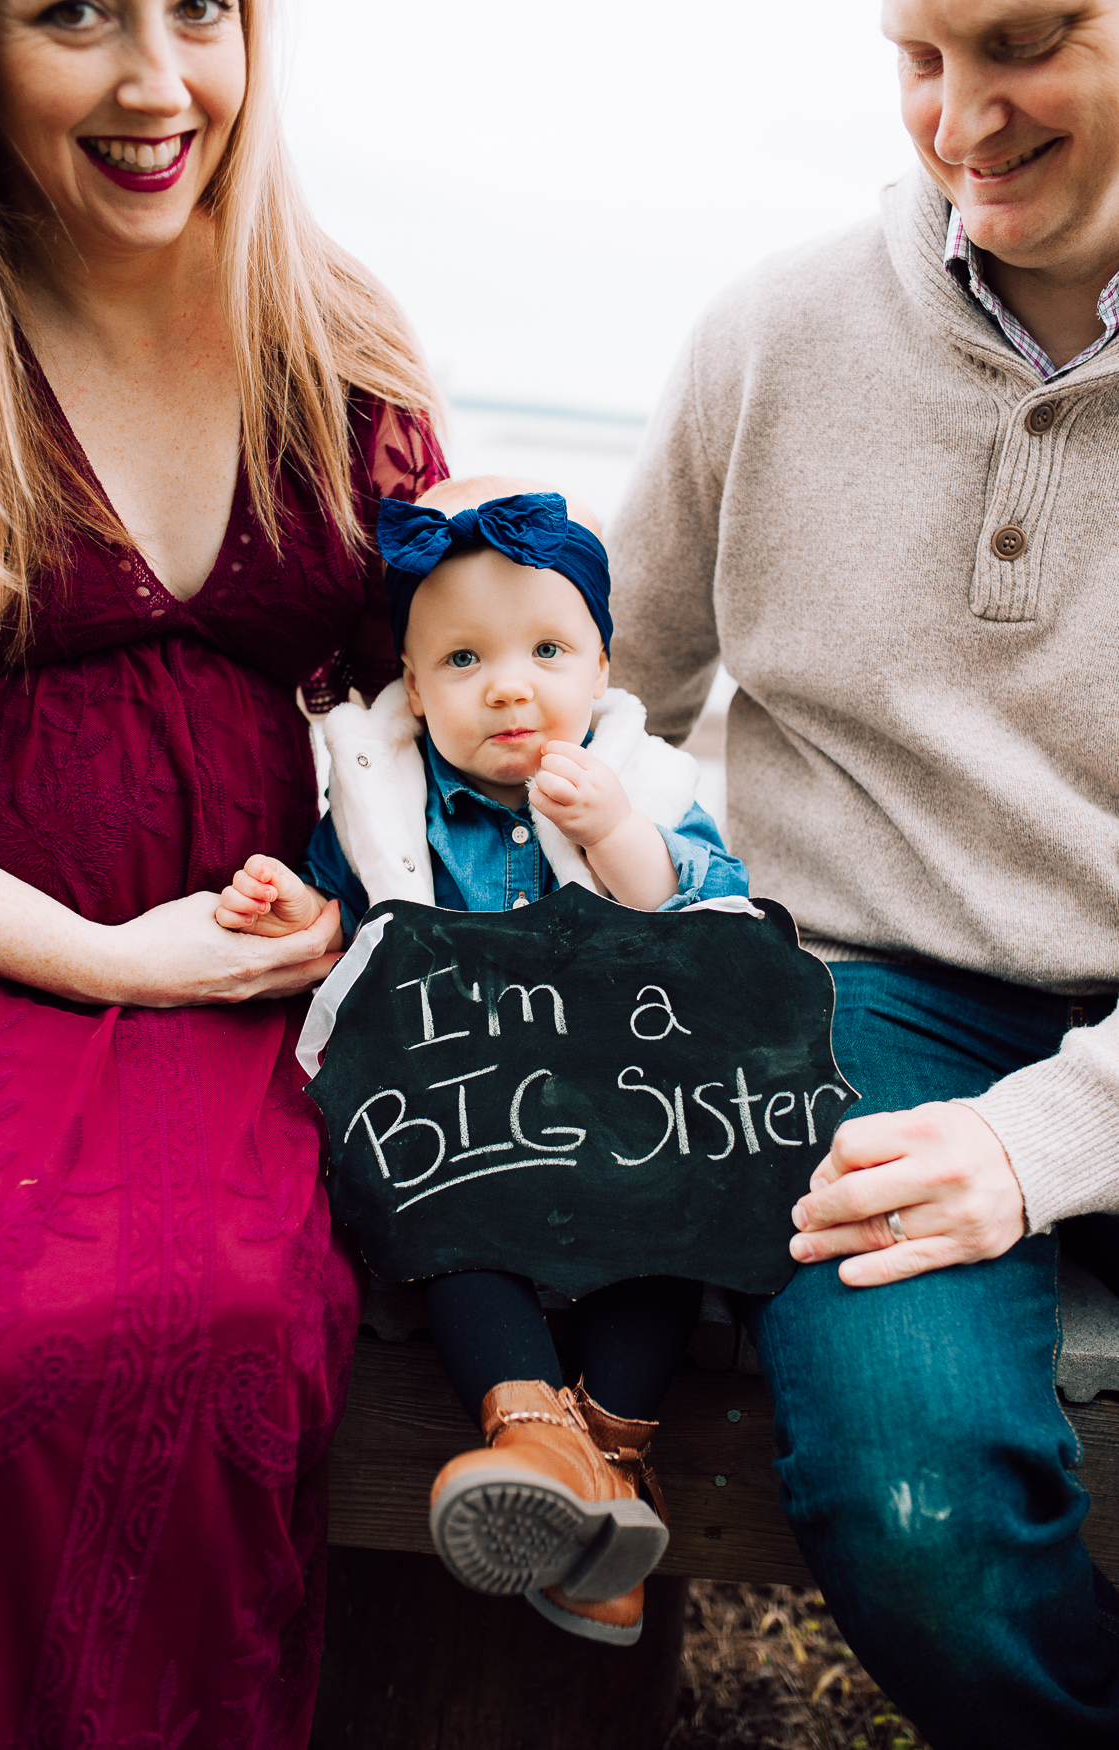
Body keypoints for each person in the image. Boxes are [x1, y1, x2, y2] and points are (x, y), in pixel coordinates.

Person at [606, 2, 1119, 1744]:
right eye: (915, 54)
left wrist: (1042, 1142)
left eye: (1023, 43)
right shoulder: (772, 330)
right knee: (921, 1514)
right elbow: (604, 679)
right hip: (863, 998)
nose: (957, 119)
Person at [0, 0, 444, 1741]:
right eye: (74, 12)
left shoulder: (330, 334)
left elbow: (422, 710)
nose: (159, 82)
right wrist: (104, 955)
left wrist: (366, 865)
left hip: (254, 978)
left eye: (202, 9)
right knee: (2, 1335)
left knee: (228, 1316)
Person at [216, 474, 750, 1647]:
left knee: (667, 1218)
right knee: (435, 1211)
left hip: (614, 1103)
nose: (507, 682)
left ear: (603, 670)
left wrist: (616, 838)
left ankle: (606, 1451)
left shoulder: (647, 785)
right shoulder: (380, 796)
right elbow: (351, 924)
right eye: (461, 661)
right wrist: (292, 904)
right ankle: (537, 1442)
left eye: (547, 648)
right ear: (410, 686)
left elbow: (716, 922)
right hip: (459, 1106)